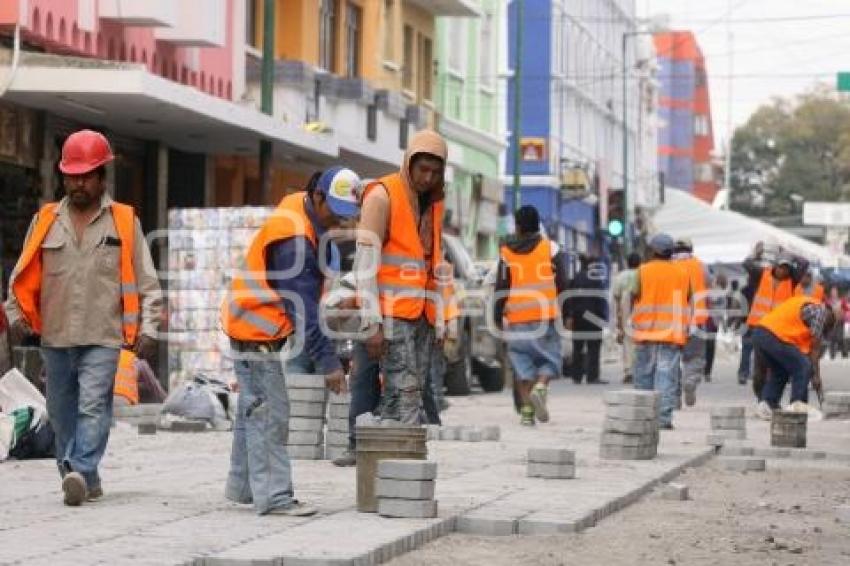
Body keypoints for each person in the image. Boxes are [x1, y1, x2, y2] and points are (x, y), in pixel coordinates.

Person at [4, 130, 162, 506]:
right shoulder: (45, 220)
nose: (78, 183)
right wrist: (15, 315)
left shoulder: (124, 222)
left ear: (102, 177)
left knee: (94, 406)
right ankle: (80, 477)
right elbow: (21, 275)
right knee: (60, 413)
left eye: (86, 175)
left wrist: (150, 327)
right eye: (72, 175)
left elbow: (148, 283)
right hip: (55, 336)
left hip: (104, 336)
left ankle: (80, 467)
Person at [221, 166, 360, 515]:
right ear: (318, 197)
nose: (340, 223)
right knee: (270, 413)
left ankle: (244, 487)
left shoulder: (300, 211)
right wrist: (329, 364)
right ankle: (276, 497)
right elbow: (303, 312)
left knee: (253, 409)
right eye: (336, 213)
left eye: (347, 216)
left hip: (252, 325)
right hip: (256, 330)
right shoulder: (295, 239)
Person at [354, 130, 449, 426]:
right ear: (409, 164)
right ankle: (404, 460)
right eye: (423, 170)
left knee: (407, 394)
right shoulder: (382, 197)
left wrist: (440, 318)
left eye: (435, 172)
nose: (427, 178)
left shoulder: (433, 203)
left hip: (420, 316)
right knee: (405, 394)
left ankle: (385, 456)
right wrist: (372, 324)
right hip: (391, 315)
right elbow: (364, 265)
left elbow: (434, 263)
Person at [493, 205, 568, 425]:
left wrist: (497, 314)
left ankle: (526, 413)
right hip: (545, 316)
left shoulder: (506, 252)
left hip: (517, 318)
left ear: (517, 226)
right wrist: (564, 306)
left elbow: (501, 286)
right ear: (537, 225)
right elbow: (563, 281)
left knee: (521, 365)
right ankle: (542, 386)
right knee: (549, 359)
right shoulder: (550, 248)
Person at [630, 233, 690, 430]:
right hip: (671, 334)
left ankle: (642, 415)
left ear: (653, 250)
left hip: (645, 333)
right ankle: (663, 418)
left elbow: (633, 295)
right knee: (666, 376)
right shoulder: (682, 273)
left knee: (644, 375)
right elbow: (688, 297)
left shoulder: (641, 271)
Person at [752, 296, 836, 419]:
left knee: (780, 371)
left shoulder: (806, 309)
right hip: (773, 335)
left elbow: (801, 354)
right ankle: (797, 405)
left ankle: (767, 404)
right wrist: (816, 376)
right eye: (824, 330)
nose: (822, 332)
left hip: (761, 333)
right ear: (830, 320)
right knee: (804, 365)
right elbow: (815, 349)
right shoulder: (821, 312)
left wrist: (811, 374)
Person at [743, 243, 807, 399]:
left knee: (776, 368)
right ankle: (761, 399)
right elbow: (746, 264)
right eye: (780, 266)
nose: (783, 270)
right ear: (774, 266)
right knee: (759, 371)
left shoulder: (792, 281)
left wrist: (789, 252)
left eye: (786, 268)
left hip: (779, 332)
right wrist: (756, 254)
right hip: (759, 329)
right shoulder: (762, 275)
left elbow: (805, 263)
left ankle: (769, 400)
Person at [673, 238, 709, 407]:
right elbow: (708, 284)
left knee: (672, 358)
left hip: (672, 320)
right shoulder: (701, 266)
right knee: (695, 357)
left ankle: (674, 396)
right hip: (697, 319)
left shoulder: (669, 265)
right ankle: (691, 380)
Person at [565, 254, 608, 385]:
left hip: (578, 316)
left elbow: (568, 298)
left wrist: (569, 315)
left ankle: (576, 376)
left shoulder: (575, 279)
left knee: (577, 347)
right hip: (593, 317)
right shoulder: (596, 279)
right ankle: (592, 376)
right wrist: (603, 316)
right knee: (593, 348)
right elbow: (600, 299)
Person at [612, 253, 641, 384]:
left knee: (628, 341)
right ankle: (640, 369)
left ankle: (629, 370)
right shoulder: (642, 274)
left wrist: (618, 318)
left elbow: (616, 298)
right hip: (642, 309)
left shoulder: (620, 277)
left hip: (626, 309)